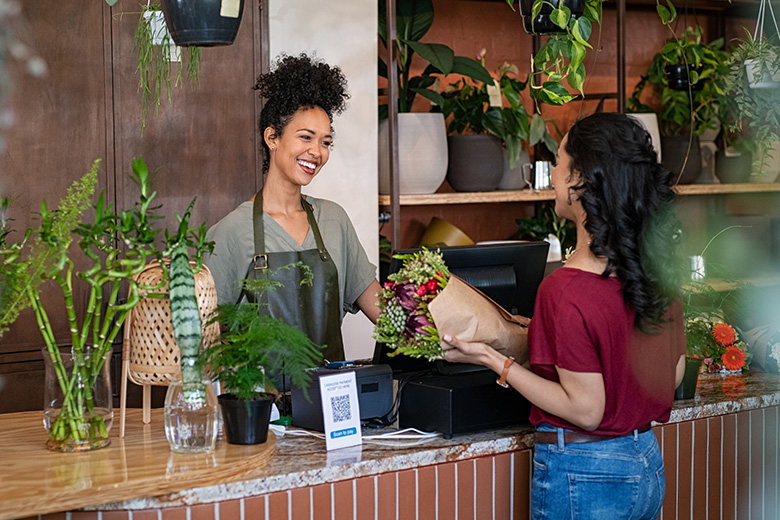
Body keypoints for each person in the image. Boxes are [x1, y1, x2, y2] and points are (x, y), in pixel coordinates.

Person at [440, 112, 687, 519]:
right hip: (645, 463)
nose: (552, 174)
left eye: (557, 161)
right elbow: (673, 374)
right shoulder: (658, 272)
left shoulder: (565, 288)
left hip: (585, 474)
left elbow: (586, 410)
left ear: (580, 180)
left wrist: (493, 359)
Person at [205, 53, 381, 366]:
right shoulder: (230, 233)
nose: (317, 152)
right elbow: (206, 341)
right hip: (260, 407)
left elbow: (382, 310)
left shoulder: (333, 221)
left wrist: (443, 336)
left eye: (325, 142)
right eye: (306, 137)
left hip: (329, 401)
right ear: (272, 137)